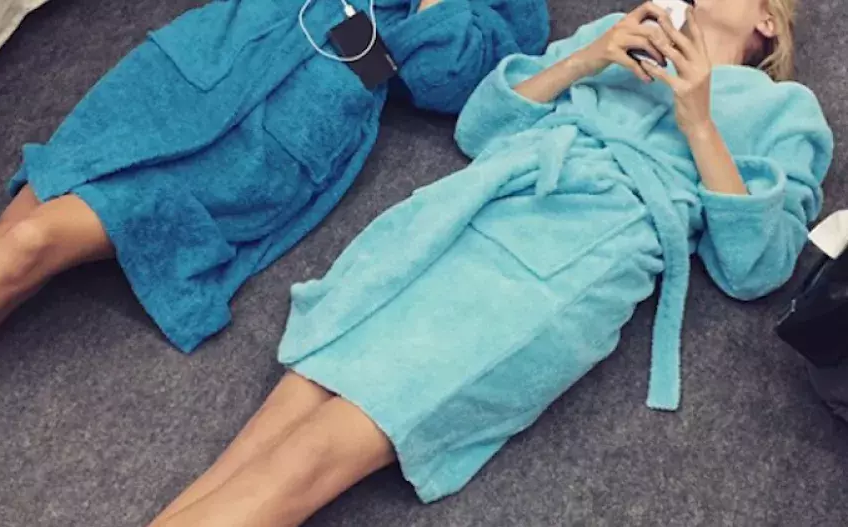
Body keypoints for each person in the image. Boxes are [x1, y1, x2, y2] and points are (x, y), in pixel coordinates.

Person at [147, 0, 834, 525]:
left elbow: (756, 267)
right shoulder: (615, 37)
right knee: (260, 437)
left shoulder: (787, 111)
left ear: (767, 22)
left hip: (564, 271)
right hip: (461, 221)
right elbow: (481, 129)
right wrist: (589, 56)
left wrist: (699, 121)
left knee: (311, 459)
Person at [0, 0, 550, 414]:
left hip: (277, 133)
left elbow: (445, 82)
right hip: (193, 64)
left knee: (28, 245)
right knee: (11, 250)